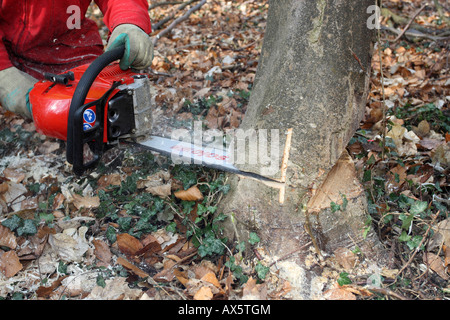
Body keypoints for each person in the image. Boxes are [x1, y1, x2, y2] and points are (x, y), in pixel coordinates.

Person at [0, 0, 154, 119]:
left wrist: (129, 22)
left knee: (102, 102)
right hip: (11, 55)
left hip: (73, 45)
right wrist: (4, 73)